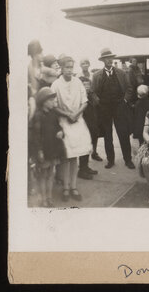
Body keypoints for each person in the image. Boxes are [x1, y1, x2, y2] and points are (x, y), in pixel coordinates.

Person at [51, 56, 95, 194]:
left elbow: (85, 101)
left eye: (71, 67)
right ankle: (65, 187)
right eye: (67, 67)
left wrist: (76, 113)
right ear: (62, 68)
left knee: (75, 155)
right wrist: (67, 114)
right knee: (66, 156)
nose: (69, 70)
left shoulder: (78, 82)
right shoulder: (56, 84)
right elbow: (53, 105)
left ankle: (74, 186)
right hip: (64, 123)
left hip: (78, 122)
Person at [91, 48, 135, 169]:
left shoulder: (121, 73)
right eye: (107, 58)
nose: (109, 60)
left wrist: (125, 100)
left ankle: (128, 160)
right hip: (104, 108)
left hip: (119, 106)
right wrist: (98, 102)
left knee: (123, 133)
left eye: (111, 58)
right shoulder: (96, 75)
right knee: (107, 135)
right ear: (103, 60)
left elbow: (129, 88)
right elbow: (93, 92)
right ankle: (110, 160)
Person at [29, 88, 62, 207]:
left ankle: (49, 197)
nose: (53, 102)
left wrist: (60, 132)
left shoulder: (53, 114)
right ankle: (43, 198)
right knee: (43, 175)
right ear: (44, 101)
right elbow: (36, 136)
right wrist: (39, 151)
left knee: (50, 174)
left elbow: (58, 127)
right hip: (43, 150)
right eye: (51, 100)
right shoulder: (38, 116)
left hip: (53, 149)